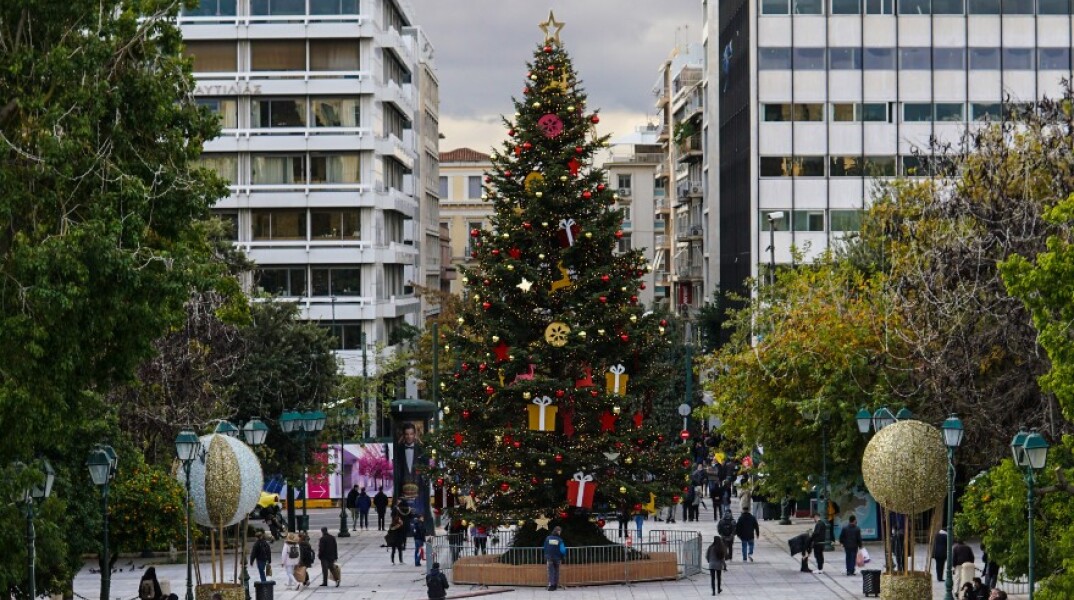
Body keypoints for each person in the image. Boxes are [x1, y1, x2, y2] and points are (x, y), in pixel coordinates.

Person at [543, 526, 567, 591]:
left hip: (549, 557)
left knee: (551, 571)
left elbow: (545, 547)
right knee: (556, 571)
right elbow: (562, 550)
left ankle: (551, 585)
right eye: (560, 531)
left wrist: (546, 555)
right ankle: (555, 585)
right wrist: (563, 556)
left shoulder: (547, 538)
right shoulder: (560, 540)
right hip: (557, 558)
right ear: (558, 532)